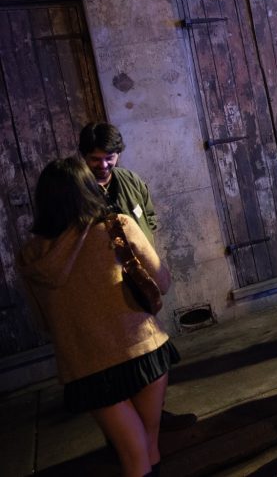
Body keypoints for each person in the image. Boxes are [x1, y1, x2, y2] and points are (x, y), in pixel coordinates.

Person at [17, 157, 174, 477]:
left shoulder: (31, 257)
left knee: (132, 455)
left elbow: (42, 322)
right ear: (88, 190)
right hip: (141, 350)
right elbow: (162, 281)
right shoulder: (117, 226)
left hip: (86, 366)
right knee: (147, 448)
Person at [78, 122, 197, 433]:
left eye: (110, 157)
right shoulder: (74, 191)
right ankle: (127, 433)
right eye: (94, 159)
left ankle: (153, 416)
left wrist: (145, 253)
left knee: (151, 358)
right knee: (121, 363)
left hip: (141, 283)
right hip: (105, 291)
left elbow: (149, 215)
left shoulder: (129, 180)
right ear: (83, 157)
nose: (103, 165)